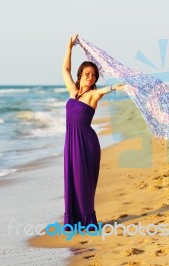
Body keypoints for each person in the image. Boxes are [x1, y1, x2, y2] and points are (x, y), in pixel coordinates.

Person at [62, 34, 123, 231]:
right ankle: (74, 221)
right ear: (81, 75)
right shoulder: (73, 91)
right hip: (70, 142)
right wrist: (69, 47)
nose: (91, 77)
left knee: (83, 182)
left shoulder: (93, 94)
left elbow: (105, 90)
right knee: (71, 179)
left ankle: (88, 222)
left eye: (93, 75)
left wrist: (116, 86)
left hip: (86, 143)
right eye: (87, 74)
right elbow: (65, 69)